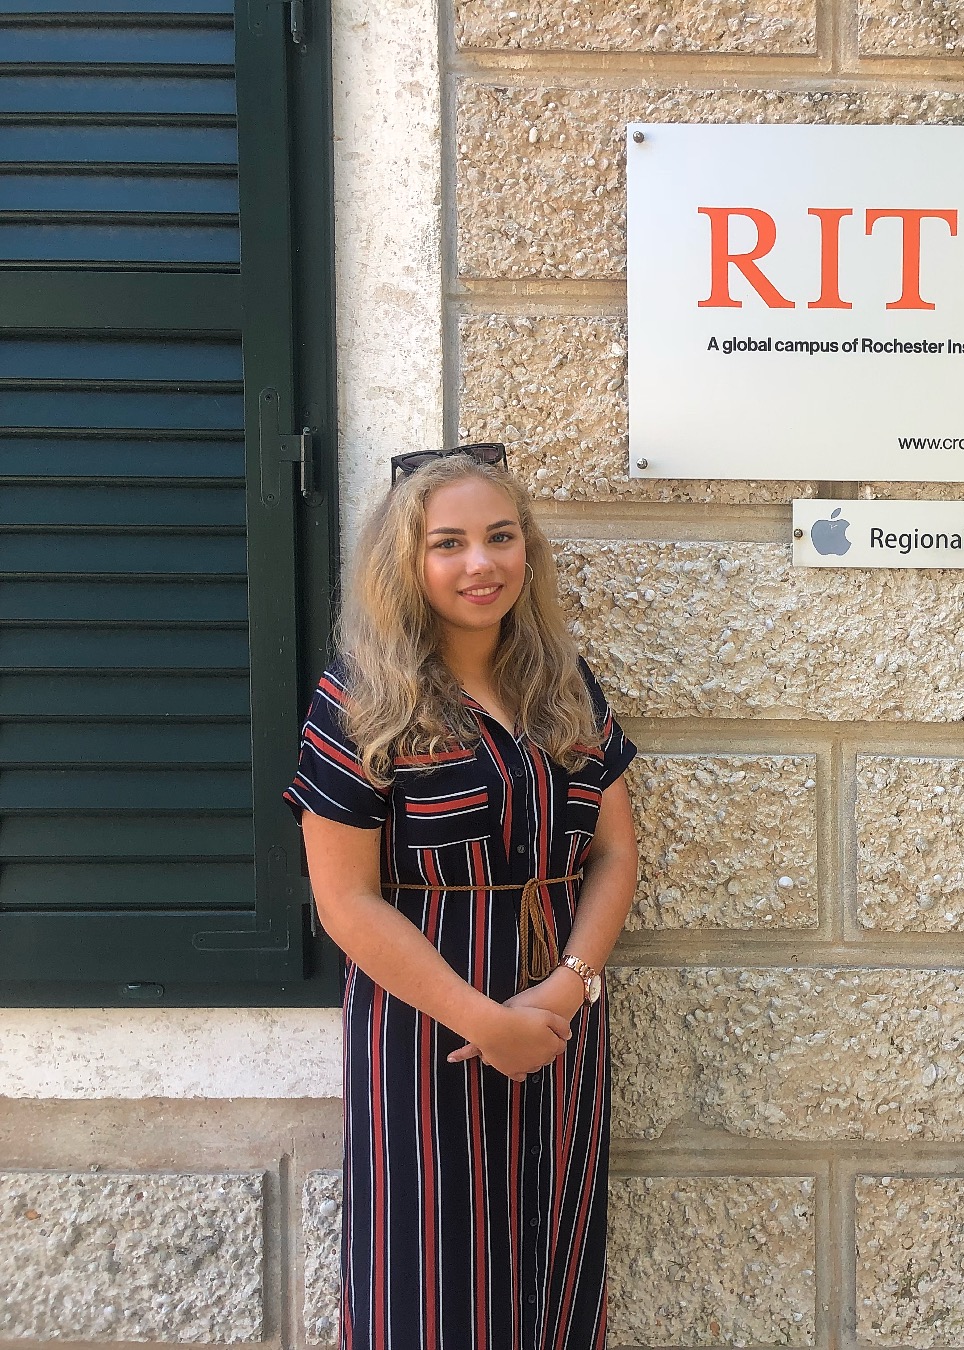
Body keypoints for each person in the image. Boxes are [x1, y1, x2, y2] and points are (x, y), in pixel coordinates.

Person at [285, 445, 638, 1350]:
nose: (481, 563)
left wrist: (566, 988)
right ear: (406, 559)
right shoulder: (360, 700)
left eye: (500, 537)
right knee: (429, 1278)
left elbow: (614, 855)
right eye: (449, 543)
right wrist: (485, 1019)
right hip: (424, 1033)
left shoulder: (562, 685)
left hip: (561, 1021)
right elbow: (345, 900)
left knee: (554, 1262)